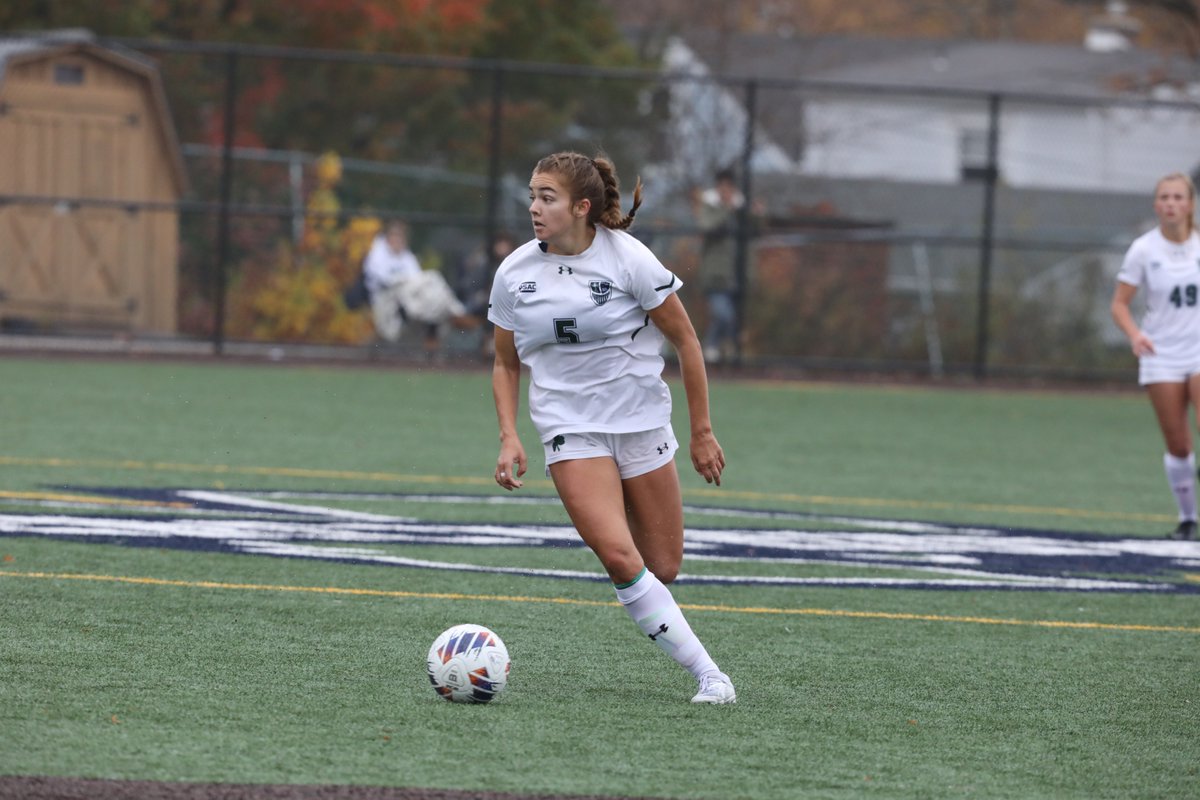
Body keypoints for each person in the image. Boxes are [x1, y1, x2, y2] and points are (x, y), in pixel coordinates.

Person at [488, 151, 736, 704]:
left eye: (546, 198)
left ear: (581, 207)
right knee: (621, 559)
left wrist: (701, 431)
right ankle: (711, 676)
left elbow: (688, 342)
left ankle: (619, 518)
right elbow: (505, 363)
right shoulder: (515, 272)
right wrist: (509, 434)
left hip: (640, 421)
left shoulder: (630, 260)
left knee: (663, 566)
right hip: (569, 427)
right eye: (532, 195)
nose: (533, 207)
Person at [1111, 172, 1200, 540]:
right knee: (1178, 444)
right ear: (1155, 205)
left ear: (1190, 204)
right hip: (1161, 354)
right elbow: (1119, 304)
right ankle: (1187, 519)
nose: (1171, 204)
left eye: (1178, 197)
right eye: (1164, 197)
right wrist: (1135, 335)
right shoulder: (1144, 250)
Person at [362, 219, 475, 356]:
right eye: (394, 235)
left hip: (410, 298)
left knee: (433, 280)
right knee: (433, 279)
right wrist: (402, 280)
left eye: (400, 236)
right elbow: (382, 280)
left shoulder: (406, 256)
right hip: (387, 298)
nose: (397, 240)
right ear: (387, 237)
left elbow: (416, 277)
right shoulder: (378, 254)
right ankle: (456, 312)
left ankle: (447, 314)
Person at [694, 168, 762, 364]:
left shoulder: (741, 208)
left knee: (731, 319)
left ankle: (721, 352)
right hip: (715, 275)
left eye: (729, 187)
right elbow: (707, 227)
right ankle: (713, 345)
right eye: (722, 187)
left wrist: (756, 215)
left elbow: (756, 232)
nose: (726, 191)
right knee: (724, 315)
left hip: (739, 275)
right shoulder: (710, 206)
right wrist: (726, 210)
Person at [457, 231, 516, 357]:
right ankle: (487, 345)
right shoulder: (487, 263)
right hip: (484, 303)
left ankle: (495, 346)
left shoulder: (516, 264)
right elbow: (474, 286)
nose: (502, 248)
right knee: (487, 306)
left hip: (510, 304)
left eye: (505, 244)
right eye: (499, 244)